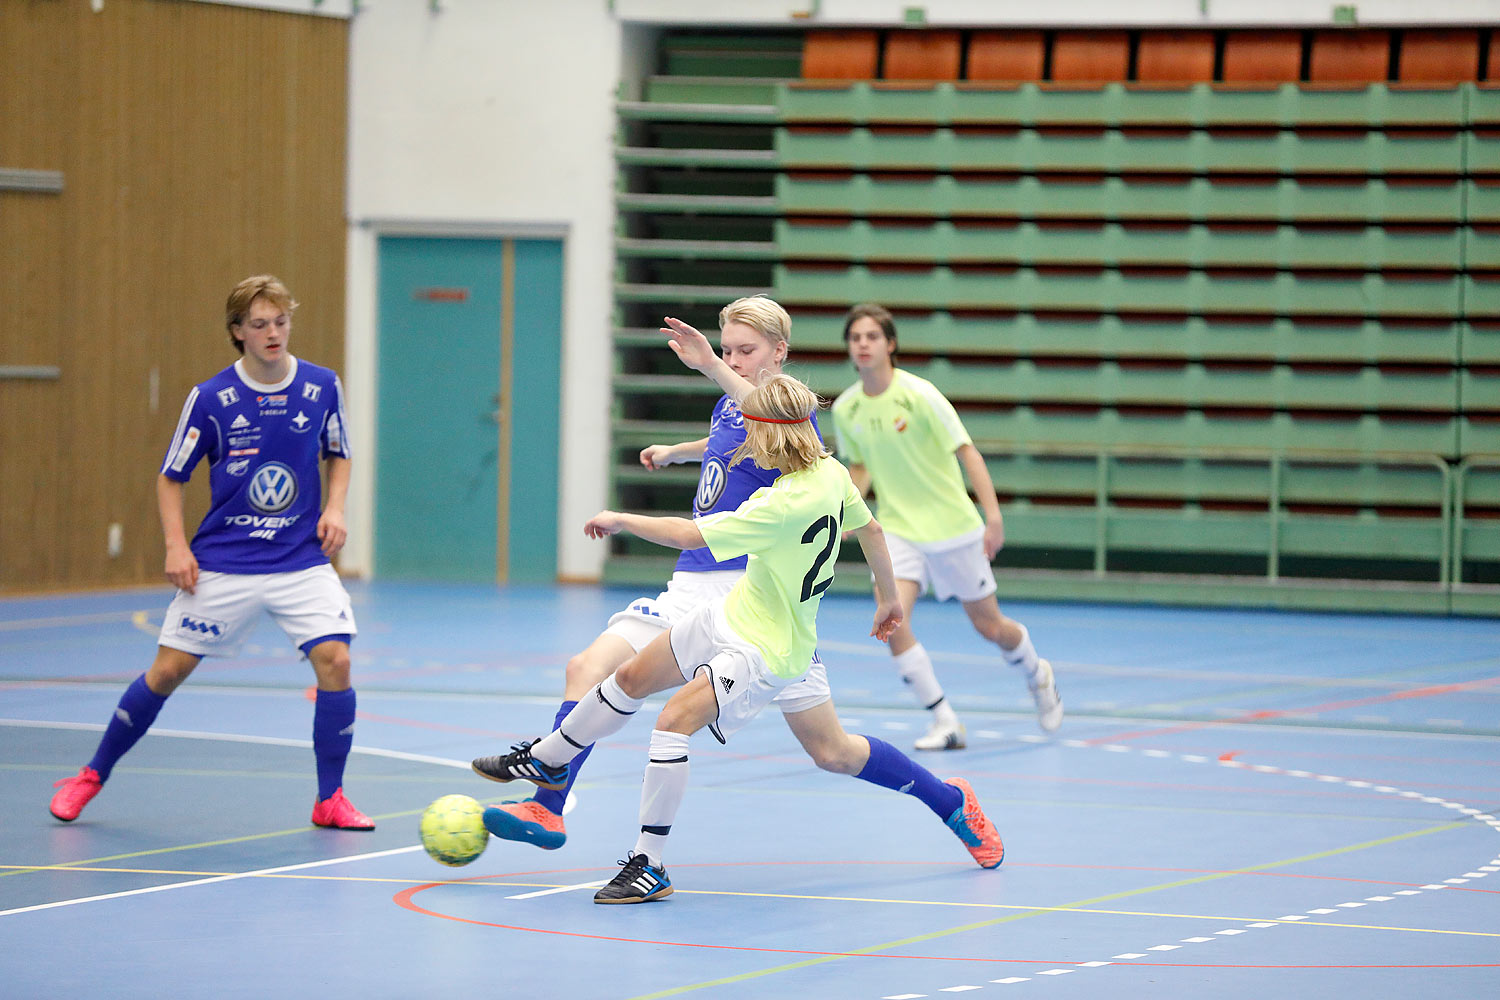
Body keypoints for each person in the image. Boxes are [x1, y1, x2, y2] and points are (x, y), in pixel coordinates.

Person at [480, 298, 1005, 877]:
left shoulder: (791, 418)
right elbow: (733, 438)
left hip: (752, 597)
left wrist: (709, 365)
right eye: (726, 349)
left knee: (831, 751)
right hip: (692, 585)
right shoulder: (735, 402)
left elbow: (767, 427)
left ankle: (948, 800)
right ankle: (548, 806)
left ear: (780, 353)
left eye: (744, 351)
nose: (732, 358)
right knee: (587, 670)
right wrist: (680, 452)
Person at [48, 275, 373, 830]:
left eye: (281, 322)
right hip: (224, 561)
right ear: (237, 332)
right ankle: (90, 775)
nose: (274, 333)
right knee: (167, 671)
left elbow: (339, 453)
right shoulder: (211, 397)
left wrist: (335, 509)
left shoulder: (321, 386)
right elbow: (171, 477)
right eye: (260, 324)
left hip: (299, 559)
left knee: (336, 661)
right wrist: (177, 547)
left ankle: (330, 799)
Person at [831, 303, 1063, 750]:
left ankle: (1038, 672)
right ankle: (944, 720)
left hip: (953, 527)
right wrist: (846, 513)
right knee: (891, 619)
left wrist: (991, 516)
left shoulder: (921, 395)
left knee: (990, 626)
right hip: (897, 528)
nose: (862, 344)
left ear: (890, 344)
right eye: (855, 337)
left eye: (871, 336)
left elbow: (967, 451)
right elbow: (860, 469)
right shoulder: (846, 409)